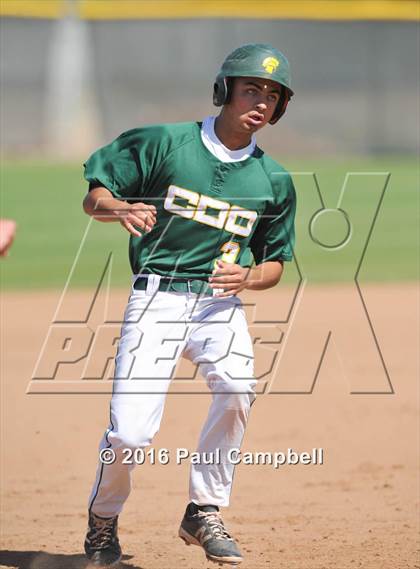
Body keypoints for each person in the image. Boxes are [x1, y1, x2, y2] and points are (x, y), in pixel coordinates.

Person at [82, 43, 296, 567]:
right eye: (251, 88)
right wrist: (119, 208)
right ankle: (103, 521)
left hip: (218, 306)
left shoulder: (274, 181)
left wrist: (248, 276)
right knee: (131, 434)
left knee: (238, 388)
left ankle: (204, 509)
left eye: (273, 94)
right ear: (224, 90)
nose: (261, 101)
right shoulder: (165, 143)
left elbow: (275, 264)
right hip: (157, 298)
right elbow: (95, 196)